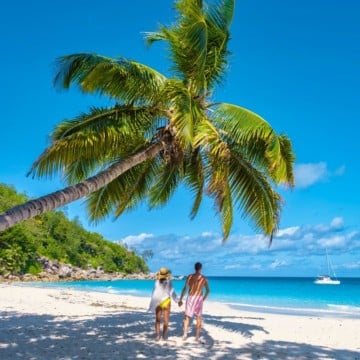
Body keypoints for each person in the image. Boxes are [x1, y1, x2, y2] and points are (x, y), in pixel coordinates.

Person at [178, 262, 210, 341]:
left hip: (191, 297)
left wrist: (181, 299)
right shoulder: (204, 278)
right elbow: (208, 291)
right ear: (201, 268)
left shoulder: (190, 276)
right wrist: (203, 299)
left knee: (187, 317)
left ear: (194, 268)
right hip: (199, 298)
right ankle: (197, 336)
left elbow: (185, 288)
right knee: (198, 317)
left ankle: (185, 335)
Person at [149, 267, 179, 341]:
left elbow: (154, 292)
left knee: (157, 320)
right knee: (166, 320)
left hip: (158, 300)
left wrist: (152, 302)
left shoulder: (156, 281)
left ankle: (157, 336)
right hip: (166, 301)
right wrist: (177, 300)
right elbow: (172, 292)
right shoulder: (169, 281)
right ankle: (164, 335)